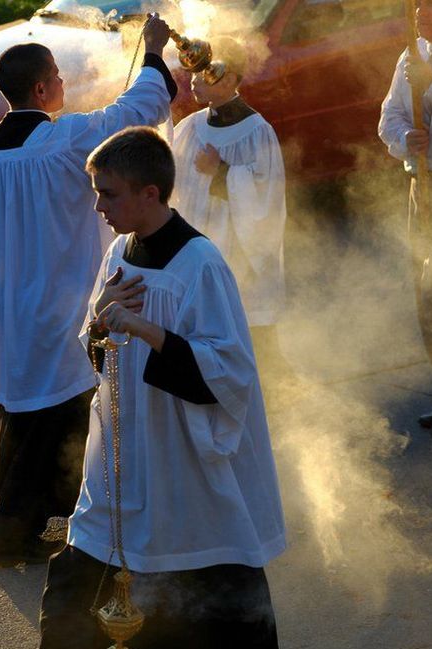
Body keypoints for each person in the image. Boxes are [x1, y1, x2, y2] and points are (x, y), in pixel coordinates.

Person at [20, 126, 286, 649]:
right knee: (90, 551)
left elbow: (231, 370)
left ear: (149, 192)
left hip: (179, 449)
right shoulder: (119, 250)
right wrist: (98, 327)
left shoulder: (201, 264)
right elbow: (97, 334)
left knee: (188, 558)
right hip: (119, 443)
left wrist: (145, 329)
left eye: (108, 194)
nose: (98, 206)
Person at [0, 15, 177, 567]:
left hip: (4, 303)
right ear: (40, 88)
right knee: (46, 423)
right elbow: (133, 116)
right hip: (53, 301)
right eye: (57, 76)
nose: (63, 83)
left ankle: (21, 528)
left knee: (18, 418)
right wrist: (152, 50)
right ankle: (10, 538)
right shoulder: (58, 141)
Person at [171, 37, 290, 390]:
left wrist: (221, 172)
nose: (192, 81)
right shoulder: (190, 127)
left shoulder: (257, 131)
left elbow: (266, 194)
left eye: (202, 73)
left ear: (228, 78)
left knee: (249, 327)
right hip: (200, 244)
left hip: (241, 248)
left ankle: (272, 388)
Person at [379, 0, 432, 435]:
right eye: (418, 6)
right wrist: (406, 135)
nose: (422, 13)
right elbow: (389, 118)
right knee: (429, 299)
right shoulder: (411, 55)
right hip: (425, 187)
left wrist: (431, 84)